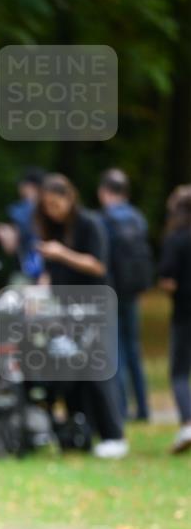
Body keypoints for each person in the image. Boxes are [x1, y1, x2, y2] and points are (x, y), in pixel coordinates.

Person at [36, 173, 128, 459]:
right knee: (71, 370)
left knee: (98, 370)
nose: (53, 210)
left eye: (56, 203)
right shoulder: (53, 228)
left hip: (94, 305)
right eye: (47, 205)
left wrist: (62, 253)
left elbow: (98, 265)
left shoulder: (90, 224)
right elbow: (49, 272)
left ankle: (114, 435)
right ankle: (82, 432)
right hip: (65, 308)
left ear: (69, 198)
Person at [97, 168, 152, 421]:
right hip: (133, 291)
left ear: (104, 192)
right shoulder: (138, 218)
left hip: (113, 291)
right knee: (133, 350)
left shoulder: (105, 219)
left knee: (115, 350)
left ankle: (121, 409)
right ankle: (143, 408)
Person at [158, 184, 191, 454]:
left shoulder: (176, 239)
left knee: (179, 372)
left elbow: (168, 281)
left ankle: (188, 424)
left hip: (184, 313)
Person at [0, 167, 46, 281]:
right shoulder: (54, 209)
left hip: (27, 273)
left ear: (29, 186)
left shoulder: (20, 210)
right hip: (54, 274)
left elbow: (10, 246)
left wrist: (3, 232)